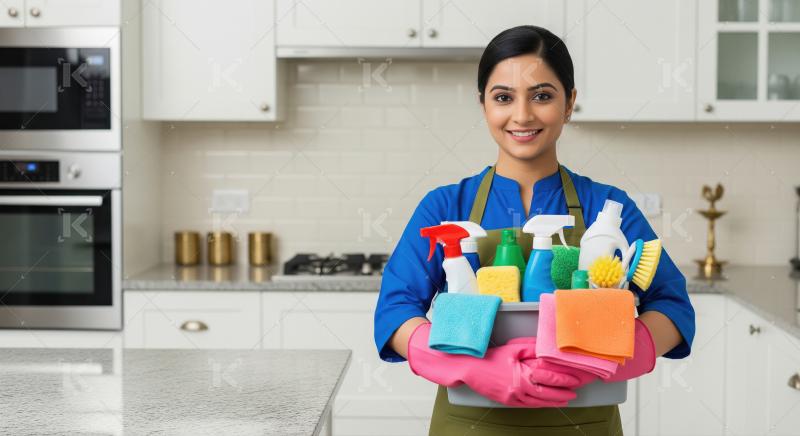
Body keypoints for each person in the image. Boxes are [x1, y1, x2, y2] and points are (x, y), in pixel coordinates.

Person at [373, 25, 695, 435]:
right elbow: (396, 311)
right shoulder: (445, 206)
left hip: (584, 424)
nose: (522, 115)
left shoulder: (606, 207)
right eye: (503, 97)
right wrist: (470, 367)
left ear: (569, 103)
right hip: (469, 425)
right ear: (483, 104)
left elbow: (672, 306)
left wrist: (606, 359)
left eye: (542, 96)